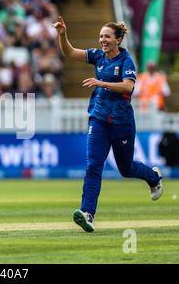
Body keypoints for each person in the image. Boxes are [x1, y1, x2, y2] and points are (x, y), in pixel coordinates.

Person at [52, 16, 163, 232]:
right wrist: (62, 34)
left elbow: (128, 87)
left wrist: (101, 82)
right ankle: (87, 213)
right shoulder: (98, 56)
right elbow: (70, 52)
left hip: (121, 123)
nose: (103, 40)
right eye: (101, 36)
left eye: (107, 36)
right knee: (93, 166)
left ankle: (153, 177)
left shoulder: (126, 61)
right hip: (99, 119)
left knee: (126, 168)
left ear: (118, 40)